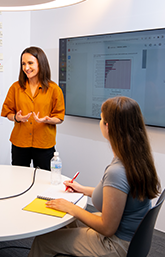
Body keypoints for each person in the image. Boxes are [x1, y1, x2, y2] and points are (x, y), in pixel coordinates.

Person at [28, 96, 161, 257]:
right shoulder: (136, 157)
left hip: (115, 244)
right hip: (129, 237)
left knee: (45, 239)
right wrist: (83, 190)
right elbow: (117, 195)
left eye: (101, 118)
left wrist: (72, 207)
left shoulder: (117, 171)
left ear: (108, 127)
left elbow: (107, 228)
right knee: (64, 221)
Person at [1, 46, 65, 170]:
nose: (26, 68)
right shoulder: (15, 88)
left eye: (30, 63)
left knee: (45, 180)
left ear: (41, 63)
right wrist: (16, 117)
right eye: (23, 64)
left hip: (44, 144)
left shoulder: (54, 89)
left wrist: (48, 120)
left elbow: (60, 117)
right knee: (19, 179)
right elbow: (8, 112)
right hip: (20, 143)